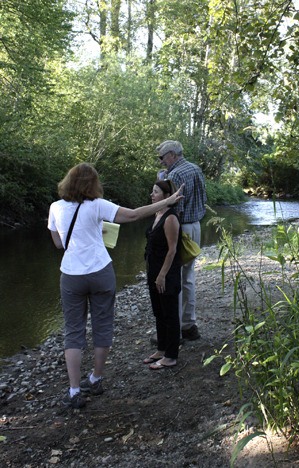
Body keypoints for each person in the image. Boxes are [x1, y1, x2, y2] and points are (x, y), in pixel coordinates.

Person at [48, 163, 183, 409]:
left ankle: (74, 390)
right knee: (102, 326)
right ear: (93, 184)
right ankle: (96, 379)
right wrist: (168, 201)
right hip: (100, 272)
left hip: (71, 275)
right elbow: (133, 215)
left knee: (73, 331)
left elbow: (58, 243)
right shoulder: (98, 205)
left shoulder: (55, 207)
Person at [155, 140, 207, 341]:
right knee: (188, 277)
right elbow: (203, 199)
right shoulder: (195, 169)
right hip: (195, 226)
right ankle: (189, 325)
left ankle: (173, 330)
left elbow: (172, 207)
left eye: (162, 157)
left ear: (172, 155)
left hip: (180, 227)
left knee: (173, 277)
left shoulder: (175, 175)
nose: (161, 161)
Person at [143, 180, 181, 370]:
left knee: (170, 314)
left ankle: (171, 356)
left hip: (166, 274)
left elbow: (172, 250)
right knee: (159, 312)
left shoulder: (170, 218)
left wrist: (162, 275)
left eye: (156, 192)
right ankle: (161, 349)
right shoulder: (157, 214)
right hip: (154, 270)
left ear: (167, 196)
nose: (152, 195)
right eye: (152, 191)